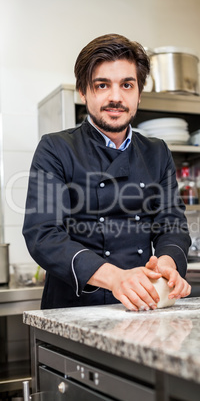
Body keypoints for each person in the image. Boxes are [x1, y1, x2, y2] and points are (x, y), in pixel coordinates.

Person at [23, 33, 191, 311]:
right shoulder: (55, 148)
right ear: (83, 91)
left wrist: (166, 265)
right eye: (102, 85)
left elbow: (171, 224)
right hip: (72, 310)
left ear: (139, 93)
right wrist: (116, 278)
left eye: (127, 85)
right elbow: (44, 235)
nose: (116, 97)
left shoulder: (157, 152)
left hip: (143, 306)